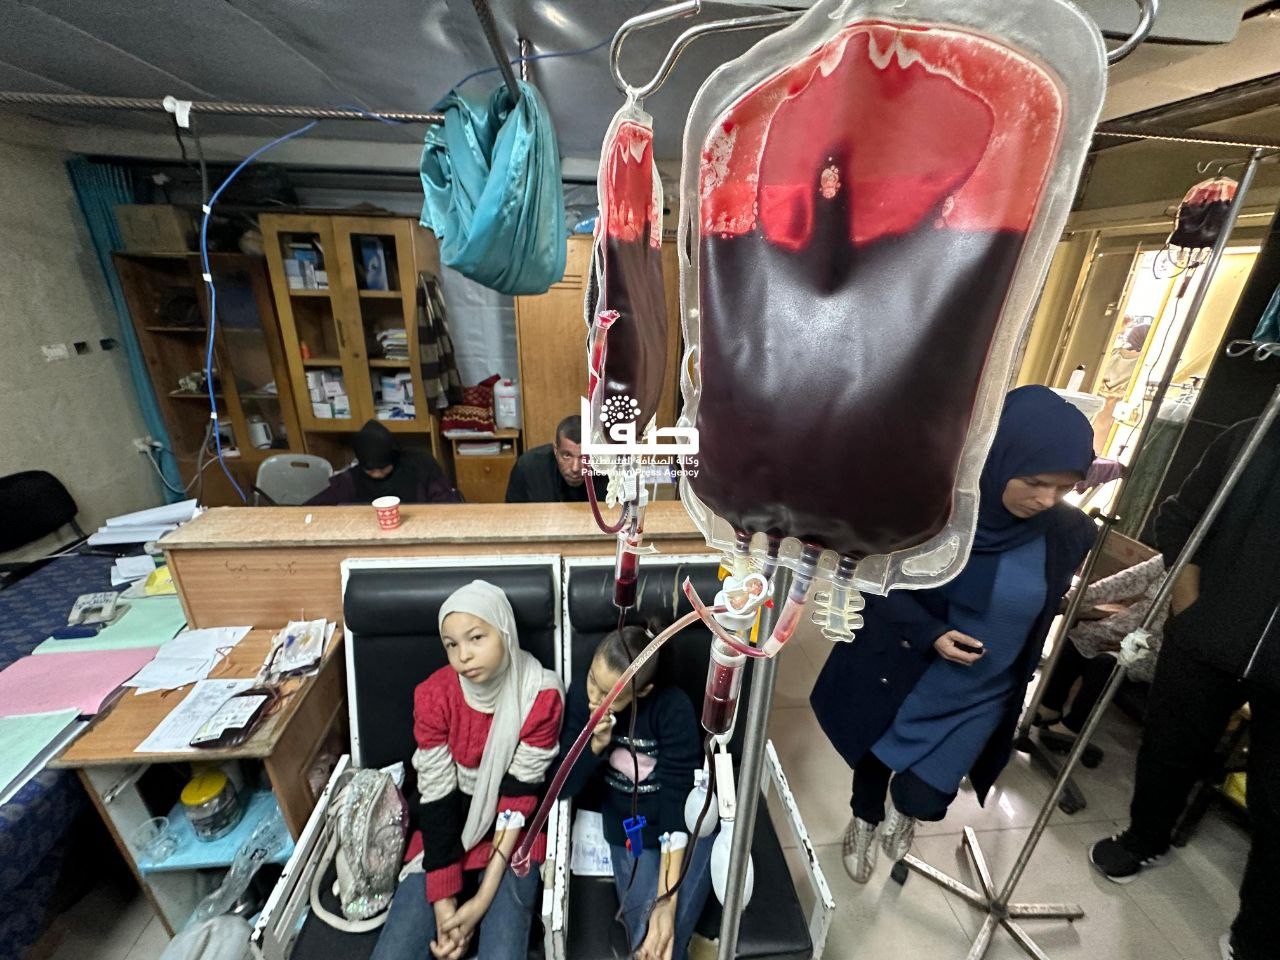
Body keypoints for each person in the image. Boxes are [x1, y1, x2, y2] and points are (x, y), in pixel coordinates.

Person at [810, 386, 1096, 883]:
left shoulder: (1068, 532)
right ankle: (864, 819)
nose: (1047, 499)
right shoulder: (936, 509)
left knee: (925, 796)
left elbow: (1044, 603)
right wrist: (931, 632)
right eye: (1035, 481)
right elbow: (873, 578)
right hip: (909, 671)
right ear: (1000, 455)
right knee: (874, 755)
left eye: (1064, 488)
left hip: (986, 691)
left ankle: (904, 812)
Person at [1090, 417, 1280, 960]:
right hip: (1205, 636)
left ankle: (1258, 931)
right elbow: (1181, 518)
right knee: (1169, 747)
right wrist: (1188, 605)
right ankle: (1144, 839)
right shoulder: (1251, 435)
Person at [371, 581, 564, 960]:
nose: (463, 656)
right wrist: (444, 904)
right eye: (451, 644)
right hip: (446, 830)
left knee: (502, 952)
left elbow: (518, 800)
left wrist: (480, 901)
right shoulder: (434, 696)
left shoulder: (539, 694)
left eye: (476, 638)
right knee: (394, 951)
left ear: (504, 631)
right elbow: (437, 795)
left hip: (513, 836)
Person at [558, 623, 713, 960]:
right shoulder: (580, 695)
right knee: (646, 933)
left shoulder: (672, 708)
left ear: (641, 692)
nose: (594, 699)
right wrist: (593, 747)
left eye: (610, 695)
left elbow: (677, 800)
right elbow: (563, 785)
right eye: (593, 681)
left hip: (679, 821)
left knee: (662, 926)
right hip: (630, 825)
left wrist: (667, 900)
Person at [1035, 552, 1168, 739]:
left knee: (1105, 663)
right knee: (1077, 640)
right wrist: (1071, 599)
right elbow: (1122, 581)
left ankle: (1074, 727)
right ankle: (1050, 707)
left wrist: (1129, 644)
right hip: (1127, 629)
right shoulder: (1169, 560)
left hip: (1157, 649)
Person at [307, 420, 460, 505]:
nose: (378, 474)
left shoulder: (420, 464)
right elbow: (316, 507)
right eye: (370, 470)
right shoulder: (352, 479)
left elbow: (445, 502)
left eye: (383, 468)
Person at [505, 415, 608, 503]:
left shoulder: (611, 469)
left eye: (584, 457)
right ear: (555, 449)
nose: (575, 468)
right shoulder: (527, 468)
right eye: (567, 455)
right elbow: (511, 514)